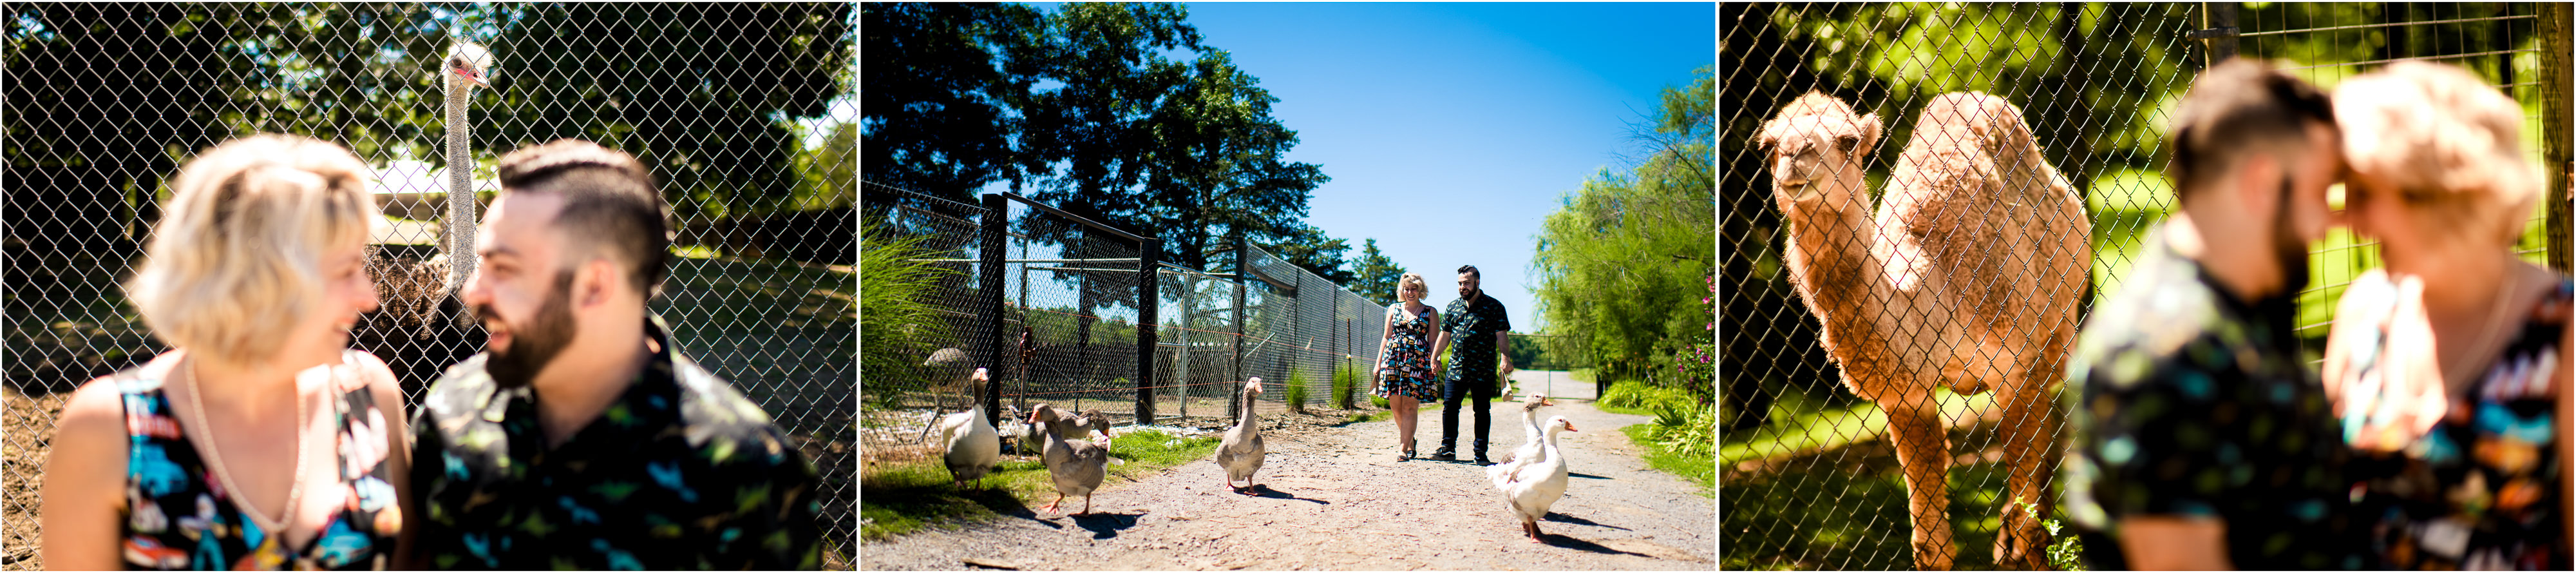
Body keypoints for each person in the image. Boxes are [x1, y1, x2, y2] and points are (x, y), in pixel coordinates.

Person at [404, 139, 821, 569]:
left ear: (595, 285)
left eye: (504, 268)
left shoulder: (743, 469)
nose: (474, 292)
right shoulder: (452, 411)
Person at [40, 135, 413, 570]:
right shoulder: (110, 427)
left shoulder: (369, 394)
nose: (369, 298)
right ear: (265, 280)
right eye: (347, 270)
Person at [2059, 59, 2366, 570]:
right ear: (2263, 183)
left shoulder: (2237, 311)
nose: (2330, 222)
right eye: (2320, 192)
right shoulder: (2160, 355)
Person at [2322, 61, 2571, 570]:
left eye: (2363, 193)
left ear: (2438, 193)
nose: (2346, 218)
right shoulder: (2365, 309)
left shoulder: (2561, 330)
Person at [1430, 265, 1514, 465]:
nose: (1462, 287)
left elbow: (1501, 335)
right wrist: (1435, 357)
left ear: (1477, 282)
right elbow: (1445, 335)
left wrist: (1505, 358)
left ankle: (1480, 453)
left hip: (1482, 370)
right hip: (1456, 368)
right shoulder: (1453, 307)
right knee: (1450, 407)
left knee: (1482, 410)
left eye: (1466, 283)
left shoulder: (1494, 307)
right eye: (1460, 284)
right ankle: (1448, 448)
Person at [1372, 273, 1442, 461]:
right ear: (1402, 290)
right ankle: (1411, 442)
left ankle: (1403, 449)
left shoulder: (1430, 311)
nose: (1410, 292)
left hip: (1418, 363)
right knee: (1396, 408)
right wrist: (1378, 363)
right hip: (1393, 361)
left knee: (1410, 407)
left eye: (1414, 289)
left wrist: (1435, 359)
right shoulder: (1393, 308)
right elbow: (1386, 336)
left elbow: (1433, 340)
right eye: (1407, 288)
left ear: (1421, 290)